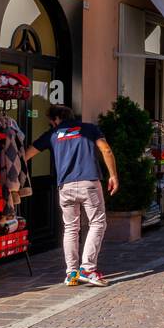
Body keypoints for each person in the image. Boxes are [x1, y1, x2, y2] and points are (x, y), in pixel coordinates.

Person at [25, 104, 119, 288]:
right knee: (98, 223)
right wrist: (113, 175)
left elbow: (26, 155)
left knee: (70, 228)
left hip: (65, 186)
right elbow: (106, 150)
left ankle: (71, 273)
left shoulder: (52, 134)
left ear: (55, 120)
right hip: (89, 183)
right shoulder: (89, 128)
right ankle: (88, 269)